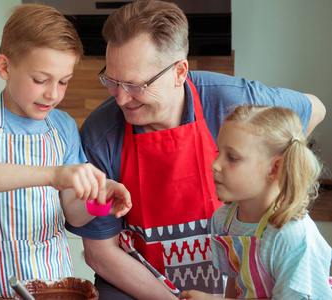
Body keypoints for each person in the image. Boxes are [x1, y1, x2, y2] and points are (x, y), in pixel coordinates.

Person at [65, 1, 326, 299]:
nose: (121, 99)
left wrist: (269, 173)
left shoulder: (233, 101)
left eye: (136, 85)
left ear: (179, 72)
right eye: (112, 81)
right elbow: (101, 253)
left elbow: (315, 109)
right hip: (137, 282)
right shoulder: (101, 133)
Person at [0, 4, 131, 298]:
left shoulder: (63, 126)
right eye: (40, 80)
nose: (53, 93)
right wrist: (54, 175)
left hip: (56, 284)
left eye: (63, 82)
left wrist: (99, 197)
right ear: (4, 67)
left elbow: (73, 213)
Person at [180, 105, 332, 300]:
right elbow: (235, 285)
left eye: (232, 157)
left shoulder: (290, 235)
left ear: (274, 169)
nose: (215, 164)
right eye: (218, 152)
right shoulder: (224, 219)